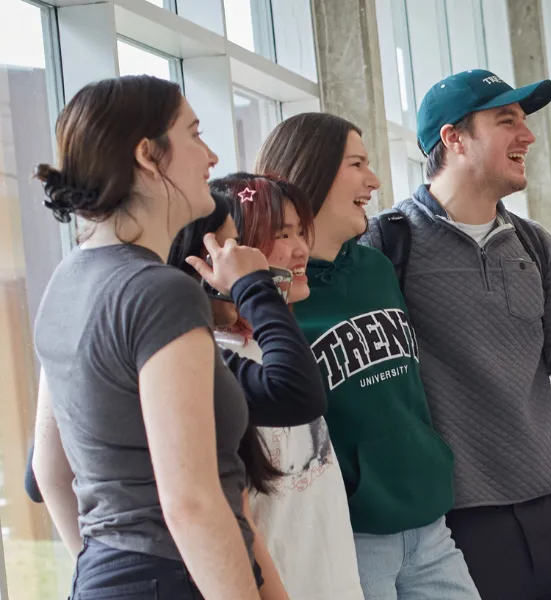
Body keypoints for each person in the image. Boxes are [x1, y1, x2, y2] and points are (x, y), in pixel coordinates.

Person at [359, 69, 551, 599]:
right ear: (453, 138)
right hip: (456, 522)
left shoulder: (533, 244)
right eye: (506, 120)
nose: (529, 136)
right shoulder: (386, 243)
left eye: (524, 120)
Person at [27, 74, 284, 598]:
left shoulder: (67, 281)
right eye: (194, 133)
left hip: (109, 575)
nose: (211, 156)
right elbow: (191, 502)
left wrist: (113, 572)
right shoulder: (159, 291)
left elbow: (50, 473)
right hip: (179, 578)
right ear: (149, 154)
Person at [257, 113, 482, 600]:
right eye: (357, 163)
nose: (374, 180)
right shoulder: (271, 299)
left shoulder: (377, 268)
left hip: (429, 525)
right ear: (309, 172)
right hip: (349, 537)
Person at [199, 173, 366, 600]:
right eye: (282, 234)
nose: (301, 249)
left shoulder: (278, 346)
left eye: (300, 232)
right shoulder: (216, 362)